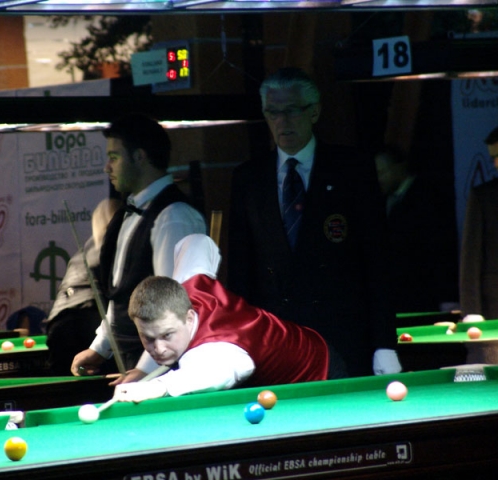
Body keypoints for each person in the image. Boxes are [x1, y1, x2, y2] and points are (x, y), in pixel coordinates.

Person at [227, 67, 401, 378]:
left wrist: (385, 344)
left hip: (342, 338)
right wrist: (240, 343)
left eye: (292, 110)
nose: (282, 121)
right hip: (276, 340)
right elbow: (241, 272)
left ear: (314, 111)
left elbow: (378, 261)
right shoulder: (247, 178)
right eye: (273, 112)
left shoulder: (352, 168)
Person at [114, 234, 329, 403]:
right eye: (148, 338)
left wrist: (156, 386)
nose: (159, 349)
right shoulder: (191, 282)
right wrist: (145, 370)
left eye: (167, 335)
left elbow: (208, 374)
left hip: (318, 373)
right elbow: (197, 242)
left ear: (189, 317)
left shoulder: (218, 353)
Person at [71, 113, 207, 379]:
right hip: (134, 363)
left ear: (139, 157)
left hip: (165, 370)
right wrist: (100, 348)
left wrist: (146, 370)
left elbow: (174, 309)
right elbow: (121, 296)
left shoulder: (174, 217)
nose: (106, 168)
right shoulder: (130, 213)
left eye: (114, 157)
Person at [375, 145, 459, 323]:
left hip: (423, 297)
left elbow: (441, 250)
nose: (378, 179)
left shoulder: (427, 198)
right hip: (396, 299)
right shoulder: (383, 202)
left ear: (399, 167)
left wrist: (447, 297)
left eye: (382, 172)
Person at [44, 197, 121, 376]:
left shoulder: (83, 251)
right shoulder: (116, 248)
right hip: (90, 319)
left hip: (58, 323)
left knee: (63, 385)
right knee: (104, 382)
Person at [460, 126, 498, 322]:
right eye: (493, 158)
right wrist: (471, 311)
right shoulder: (484, 197)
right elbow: (471, 259)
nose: (496, 163)